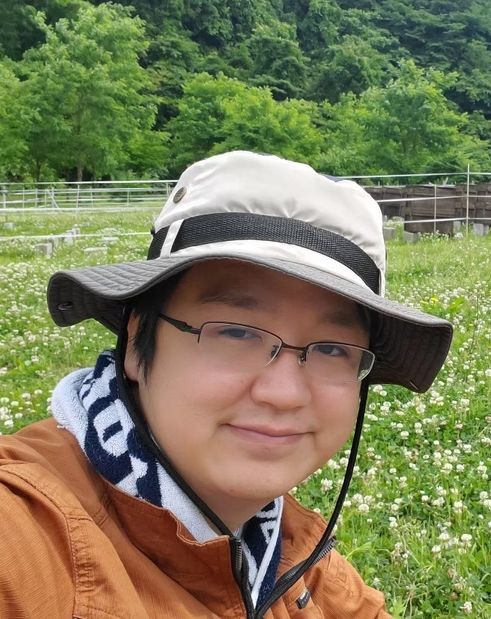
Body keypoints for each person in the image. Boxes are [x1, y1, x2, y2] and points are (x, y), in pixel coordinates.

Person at [0, 151, 454, 618]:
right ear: (136, 343)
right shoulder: (25, 536)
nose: (284, 393)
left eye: (332, 348)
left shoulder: (295, 555)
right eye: (236, 332)